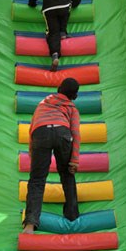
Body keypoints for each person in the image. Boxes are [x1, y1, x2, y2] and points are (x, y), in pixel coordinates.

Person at [22, 78, 80, 234]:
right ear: (74, 96)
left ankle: (30, 224)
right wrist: (74, 161)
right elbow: (75, 133)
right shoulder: (72, 108)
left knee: (37, 179)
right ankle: (72, 215)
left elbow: (33, 126)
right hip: (63, 132)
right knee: (67, 174)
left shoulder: (43, 103)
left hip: (41, 133)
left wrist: (32, 151)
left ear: (58, 88)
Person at [28, 0, 81, 71]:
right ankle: (63, 31)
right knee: (65, 11)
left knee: (52, 32)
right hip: (64, 6)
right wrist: (75, 5)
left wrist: (32, 4)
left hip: (49, 9)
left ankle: (55, 54)